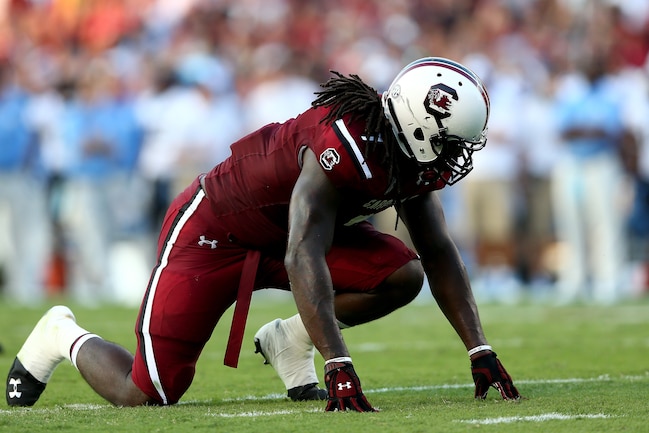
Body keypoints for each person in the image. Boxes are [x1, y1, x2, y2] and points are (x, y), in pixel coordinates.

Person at [5, 57, 520, 412]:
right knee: (147, 392)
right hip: (216, 233)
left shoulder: (410, 155)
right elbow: (303, 252)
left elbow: (436, 250)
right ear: (420, 125)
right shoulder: (338, 143)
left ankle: (288, 340)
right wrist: (339, 362)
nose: (458, 155)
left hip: (290, 240)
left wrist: (479, 347)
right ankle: (60, 334)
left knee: (402, 274)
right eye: (453, 141)